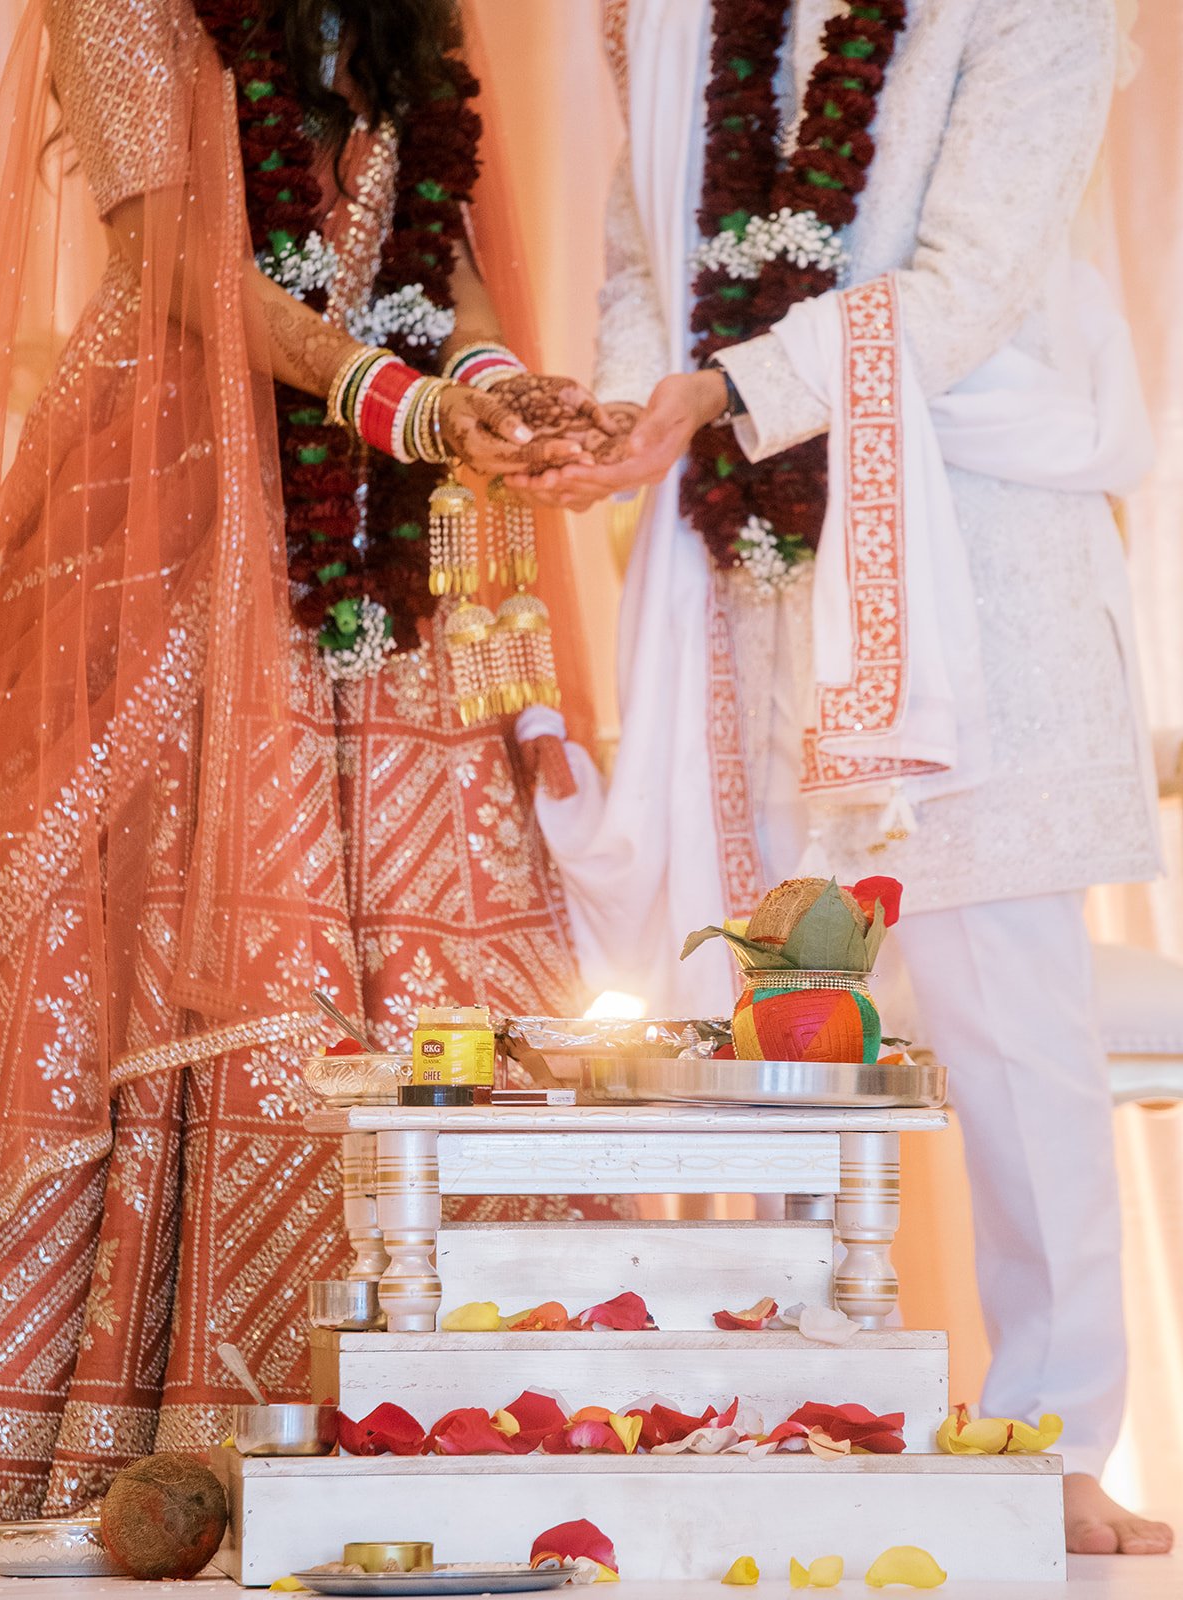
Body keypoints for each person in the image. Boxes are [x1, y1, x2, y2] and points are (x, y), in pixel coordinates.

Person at [509, 0, 1173, 1558]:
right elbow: (641, 262)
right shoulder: (669, 16)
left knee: (1009, 1015)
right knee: (763, 1013)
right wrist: (624, 405)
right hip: (750, 565)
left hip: (976, 550)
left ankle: (1057, 1443)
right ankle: (779, 1413)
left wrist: (716, 394)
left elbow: (968, 284)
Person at [0, 0, 620, 1519]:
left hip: (383, 561)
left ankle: (465, 1420)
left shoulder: (399, 13)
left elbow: (441, 247)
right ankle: (184, 1428)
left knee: (442, 962)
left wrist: (494, 382)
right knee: (187, 959)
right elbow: (179, 261)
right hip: (175, 535)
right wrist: (403, 403)